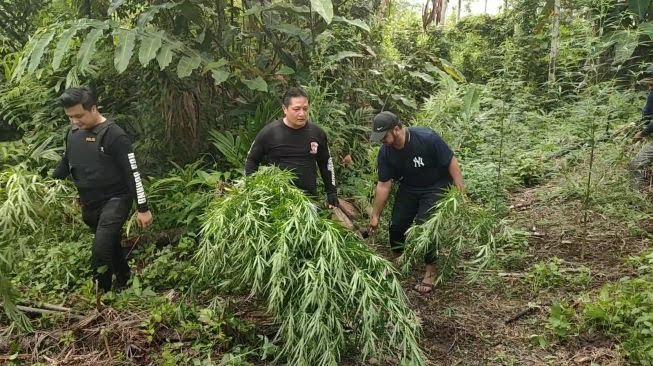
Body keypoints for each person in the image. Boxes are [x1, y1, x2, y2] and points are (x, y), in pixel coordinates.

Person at [53, 86, 153, 292]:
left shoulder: (114, 135)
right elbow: (67, 159)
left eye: (78, 116)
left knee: (100, 249)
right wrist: (50, 181)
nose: (74, 121)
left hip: (115, 200)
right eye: (69, 117)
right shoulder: (72, 133)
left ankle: (101, 293)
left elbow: (132, 172)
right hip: (89, 203)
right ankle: (124, 277)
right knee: (110, 244)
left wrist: (143, 208)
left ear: (93, 109)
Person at [368, 111, 464, 294]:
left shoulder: (426, 138)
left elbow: (451, 161)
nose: (382, 141)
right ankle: (399, 261)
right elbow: (383, 184)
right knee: (396, 225)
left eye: (384, 136)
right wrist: (375, 216)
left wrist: (460, 192)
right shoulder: (386, 152)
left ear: (396, 129)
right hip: (409, 187)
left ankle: (430, 271)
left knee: (425, 226)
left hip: (435, 185)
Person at [245, 87, 338, 207]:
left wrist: (331, 192)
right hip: (276, 201)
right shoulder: (269, 133)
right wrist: (251, 189)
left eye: (305, 109)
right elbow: (251, 160)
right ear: (285, 109)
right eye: (296, 109)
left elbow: (326, 163)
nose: (302, 114)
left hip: (308, 201)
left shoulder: (317, 133)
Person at [632, 65, 653, 186]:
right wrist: (633, 125)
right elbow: (647, 116)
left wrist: (642, 133)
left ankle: (635, 197)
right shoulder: (652, 94)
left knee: (636, 164)